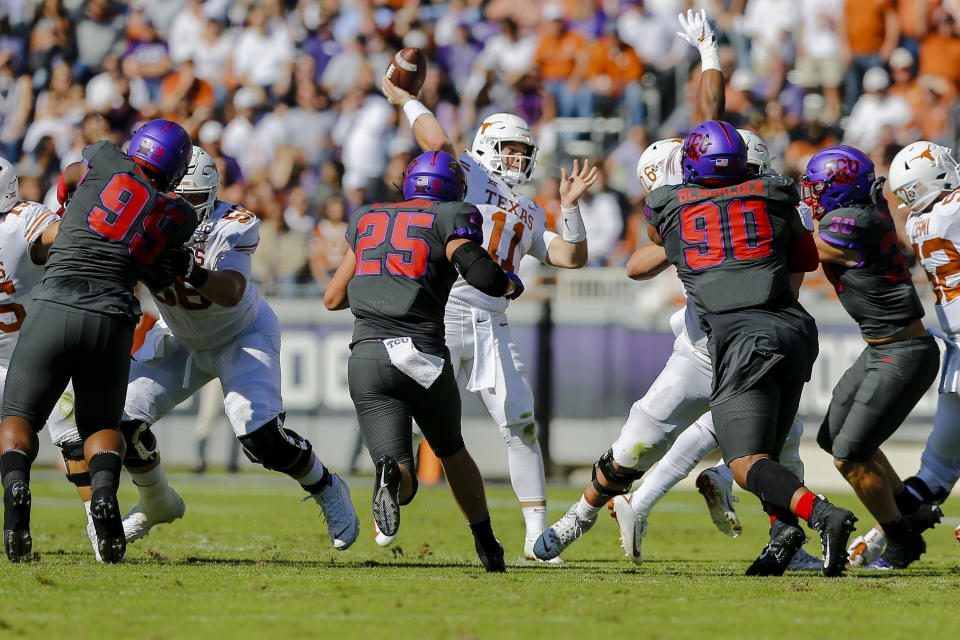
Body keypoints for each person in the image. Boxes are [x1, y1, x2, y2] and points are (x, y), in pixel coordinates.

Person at [535, 121, 859, 578]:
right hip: (705, 350)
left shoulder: (739, 204)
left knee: (776, 453)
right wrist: (691, 236)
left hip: (744, 342)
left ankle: (787, 538)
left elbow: (788, 279)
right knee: (636, 446)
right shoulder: (752, 200)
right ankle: (580, 516)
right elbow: (637, 264)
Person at [48, 146, 360, 554]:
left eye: (191, 200)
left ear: (211, 195)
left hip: (240, 334)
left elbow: (231, 291)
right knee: (118, 423)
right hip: (179, 334)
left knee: (261, 437)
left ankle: (326, 485)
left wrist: (188, 267)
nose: (182, 208)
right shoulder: (141, 210)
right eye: (174, 196)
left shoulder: (234, 223)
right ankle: (157, 500)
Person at [380, 90, 597, 563]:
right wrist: (408, 101)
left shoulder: (533, 209)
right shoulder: (468, 176)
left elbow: (572, 257)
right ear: (485, 148)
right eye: (510, 148)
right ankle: (391, 497)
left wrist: (572, 208)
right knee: (416, 426)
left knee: (521, 423)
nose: (518, 158)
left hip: (490, 324)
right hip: (438, 314)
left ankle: (537, 538)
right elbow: (435, 140)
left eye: (524, 151)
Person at [606, 130, 822, 572]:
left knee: (762, 436)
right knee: (771, 440)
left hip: (735, 332)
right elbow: (789, 286)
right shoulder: (764, 200)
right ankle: (788, 532)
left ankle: (675, 492)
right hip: (744, 336)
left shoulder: (724, 201)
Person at [0, 119, 197, 563]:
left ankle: (15, 490)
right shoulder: (180, 214)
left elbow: (73, 172)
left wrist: (73, 199)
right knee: (102, 426)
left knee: (19, 418)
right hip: (112, 318)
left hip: (54, 304)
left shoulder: (107, 159)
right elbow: (162, 262)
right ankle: (105, 495)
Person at [323, 150, 527, 572]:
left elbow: (333, 298)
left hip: (367, 357)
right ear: (453, 188)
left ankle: (391, 476)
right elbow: (482, 275)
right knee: (451, 450)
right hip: (421, 356)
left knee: (401, 472)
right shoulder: (451, 215)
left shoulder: (367, 217)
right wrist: (509, 284)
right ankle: (486, 543)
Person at [802, 145, 941, 570]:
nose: (810, 195)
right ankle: (909, 509)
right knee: (832, 440)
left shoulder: (852, 220)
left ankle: (902, 539)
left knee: (850, 454)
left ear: (840, 189)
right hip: (880, 348)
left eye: (817, 188)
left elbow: (803, 251)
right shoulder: (860, 211)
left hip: (903, 352)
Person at [846, 141, 960, 566]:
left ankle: (881, 542)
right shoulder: (952, 209)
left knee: (935, 472)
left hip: (955, 354)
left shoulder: (917, 223)